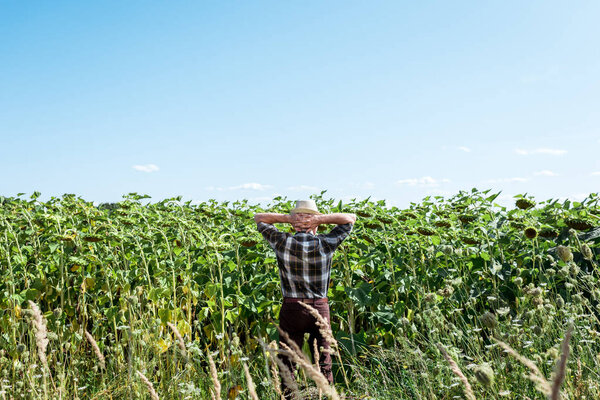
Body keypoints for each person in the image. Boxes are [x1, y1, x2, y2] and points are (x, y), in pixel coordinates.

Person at [254, 200, 356, 397]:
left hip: (292, 308)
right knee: (324, 362)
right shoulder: (326, 243)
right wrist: (318, 219)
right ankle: (325, 396)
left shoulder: (283, 241)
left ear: (293, 224)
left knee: (287, 362)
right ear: (317, 223)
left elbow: (259, 218)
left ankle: (290, 396)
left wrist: (288, 219)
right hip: (320, 307)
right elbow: (350, 219)